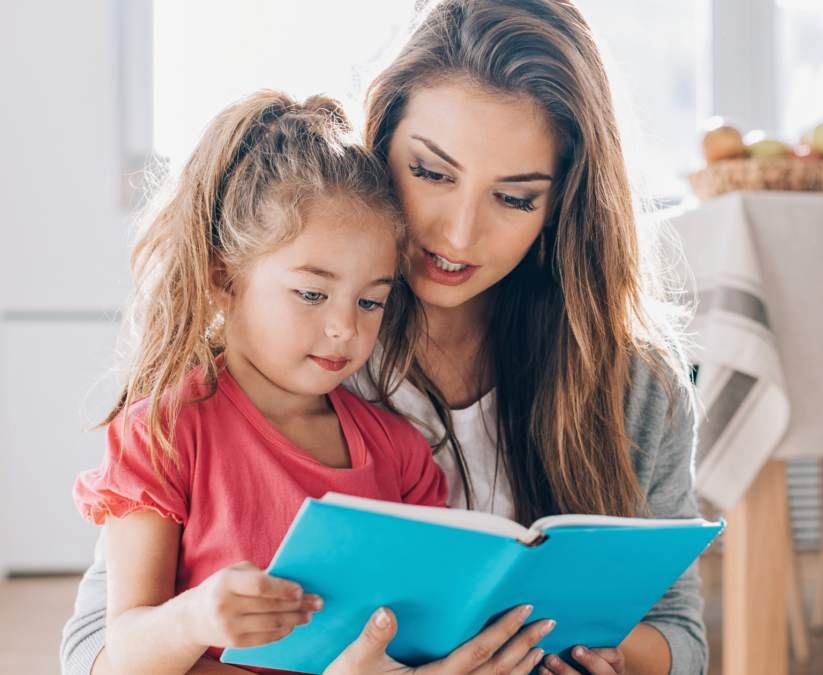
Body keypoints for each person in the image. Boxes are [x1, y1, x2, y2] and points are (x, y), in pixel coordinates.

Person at [62, 2, 707, 675]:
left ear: (560, 206)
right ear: (381, 142)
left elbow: (680, 632)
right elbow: (92, 654)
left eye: (514, 197)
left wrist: (600, 657)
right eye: (431, 173)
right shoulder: (293, 359)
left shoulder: (634, 383)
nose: (460, 233)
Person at [69, 90, 554, 675]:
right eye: (312, 293)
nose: (345, 328)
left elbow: (419, 632)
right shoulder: (165, 433)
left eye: (372, 301)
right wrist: (191, 619)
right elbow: (119, 656)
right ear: (223, 279)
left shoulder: (400, 452)